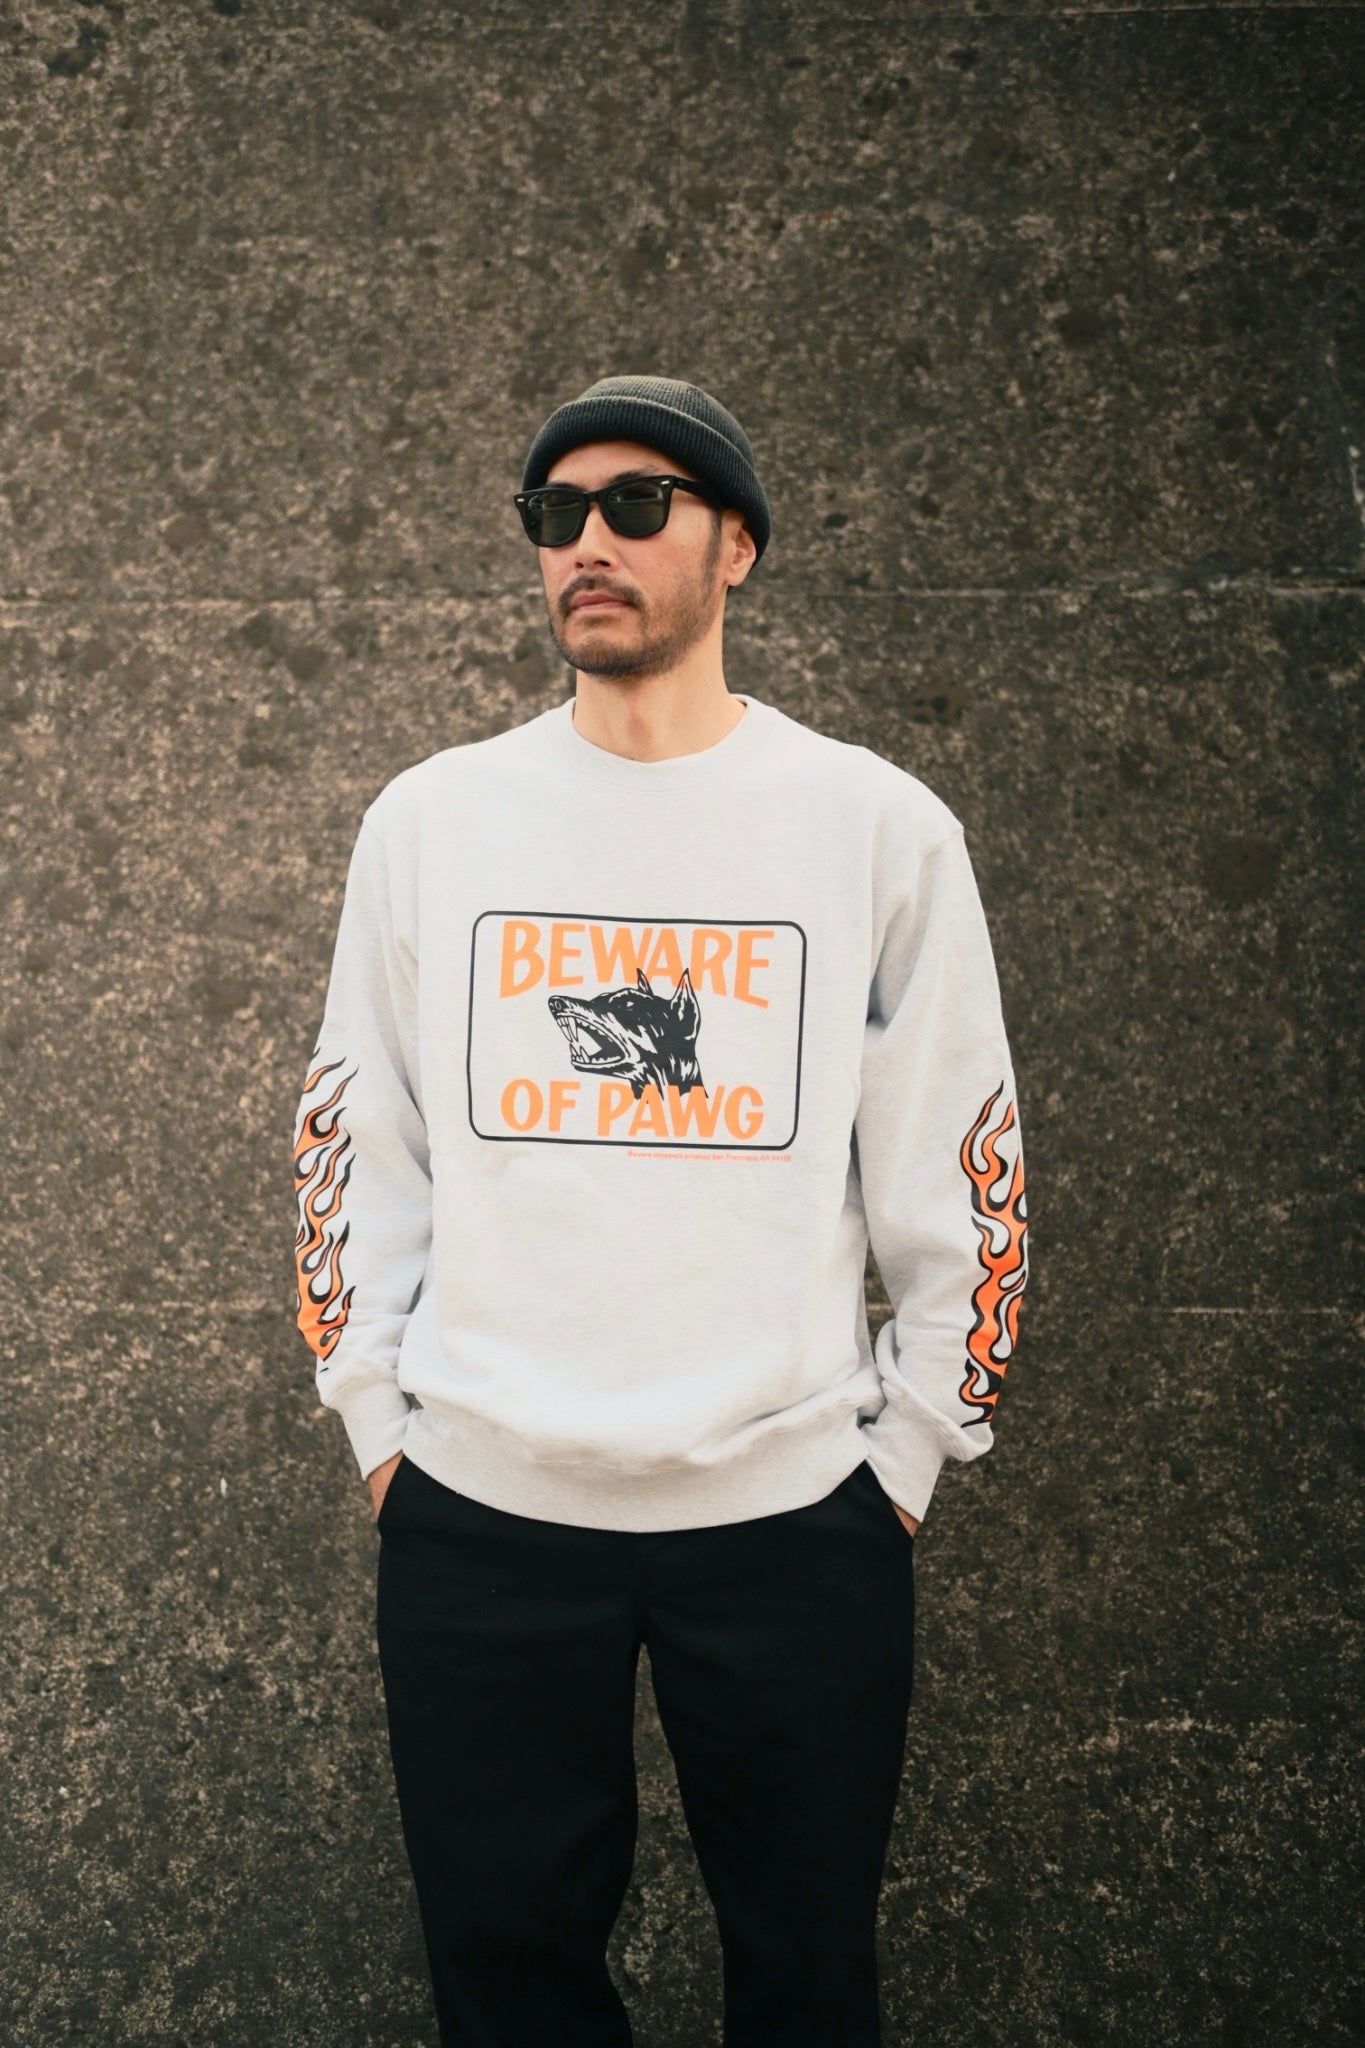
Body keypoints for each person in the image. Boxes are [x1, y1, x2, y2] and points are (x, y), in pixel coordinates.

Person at [291, 374, 1029, 2047]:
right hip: (480, 1507)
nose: (588, 544)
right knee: (507, 1992)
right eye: (555, 515)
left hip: (795, 1515)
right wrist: (381, 1425)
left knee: (808, 1983)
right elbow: (356, 1136)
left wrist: (907, 1455)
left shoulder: (872, 827)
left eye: (637, 506)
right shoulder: (435, 820)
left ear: (735, 547)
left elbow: (958, 1158)